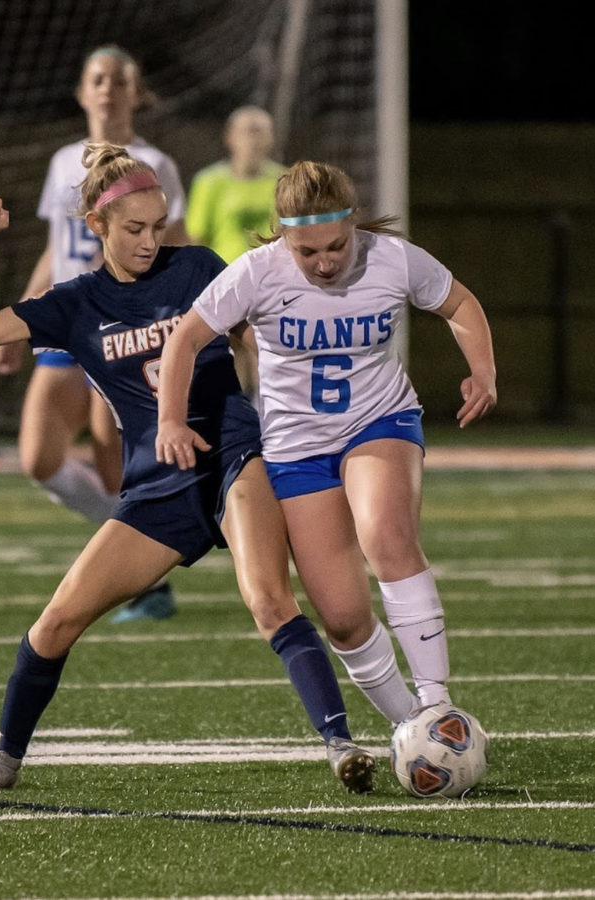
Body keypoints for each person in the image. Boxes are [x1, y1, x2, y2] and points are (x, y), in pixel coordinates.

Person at [0, 144, 376, 794]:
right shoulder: (75, 303)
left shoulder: (197, 266)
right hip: (156, 486)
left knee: (266, 599)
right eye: (133, 229)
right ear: (96, 225)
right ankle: (4, 760)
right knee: (55, 622)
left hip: (233, 455)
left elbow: (263, 326)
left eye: (157, 225)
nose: (150, 241)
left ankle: (339, 743)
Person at [156, 160, 497, 730]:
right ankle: (411, 729)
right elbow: (185, 339)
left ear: (355, 223)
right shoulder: (256, 272)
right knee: (340, 618)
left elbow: (459, 303)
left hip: (378, 420)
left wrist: (482, 371)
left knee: (385, 535)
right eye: (306, 252)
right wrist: (170, 418)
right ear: (283, 235)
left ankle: (438, 702)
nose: (324, 262)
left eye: (336, 246)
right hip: (295, 448)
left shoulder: (393, 258)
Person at [0, 44, 189, 623]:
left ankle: (145, 578)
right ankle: (148, 552)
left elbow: (174, 249)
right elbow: (60, 252)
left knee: (112, 461)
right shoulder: (62, 162)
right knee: (40, 460)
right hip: (65, 325)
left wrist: (171, 325)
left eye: (118, 80)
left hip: (121, 330)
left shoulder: (154, 163)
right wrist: (15, 322)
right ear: (82, 91)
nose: (107, 89)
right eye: (97, 79)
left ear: (135, 92)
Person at [185, 106, 285, 396]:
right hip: (223, 282)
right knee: (229, 359)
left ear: (271, 139)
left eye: (260, 131)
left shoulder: (283, 180)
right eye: (246, 131)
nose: (253, 140)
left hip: (270, 285)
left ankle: (271, 424)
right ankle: (240, 426)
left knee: (268, 357)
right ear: (229, 137)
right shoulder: (209, 182)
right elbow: (197, 239)